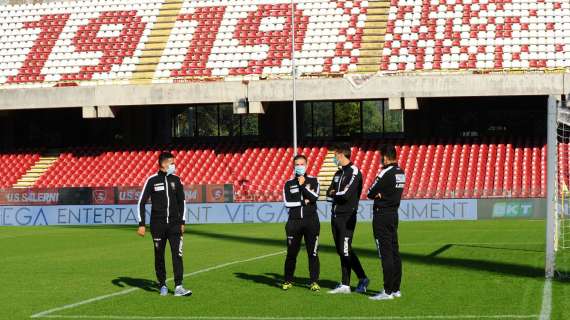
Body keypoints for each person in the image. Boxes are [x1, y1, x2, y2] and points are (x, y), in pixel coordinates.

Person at [137, 152, 192, 297]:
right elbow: (141, 202)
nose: (174, 166)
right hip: (157, 226)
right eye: (172, 163)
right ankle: (162, 285)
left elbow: (182, 202)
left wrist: (182, 221)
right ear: (163, 164)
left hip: (174, 225)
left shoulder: (176, 180)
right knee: (159, 255)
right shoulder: (152, 180)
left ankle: (179, 286)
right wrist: (141, 224)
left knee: (177, 255)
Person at [326, 143, 369, 294]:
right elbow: (327, 193)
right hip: (335, 216)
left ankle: (359, 279)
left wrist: (333, 193)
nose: (333, 158)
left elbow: (345, 194)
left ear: (341, 154)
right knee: (341, 250)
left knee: (344, 250)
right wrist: (332, 193)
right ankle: (347, 284)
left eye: (335, 154)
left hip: (347, 217)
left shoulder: (354, 171)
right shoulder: (338, 173)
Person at [367, 145, 405, 300]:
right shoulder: (401, 172)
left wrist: (379, 194)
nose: (380, 160)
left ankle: (387, 291)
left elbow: (370, 192)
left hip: (382, 216)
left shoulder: (385, 172)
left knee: (385, 253)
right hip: (393, 215)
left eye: (381, 157)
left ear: (385, 157)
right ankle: (395, 289)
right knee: (395, 252)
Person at [282, 154, 321, 292]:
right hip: (294, 223)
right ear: (293, 166)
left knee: (313, 253)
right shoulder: (288, 183)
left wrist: (303, 184)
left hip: (311, 222)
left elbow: (315, 197)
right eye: (297, 164)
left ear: (307, 165)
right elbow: (287, 203)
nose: (299, 167)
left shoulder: (314, 180)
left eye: (302, 164)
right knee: (291, 253)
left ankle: (314, 282)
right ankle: (287, 280)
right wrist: (302, 202)